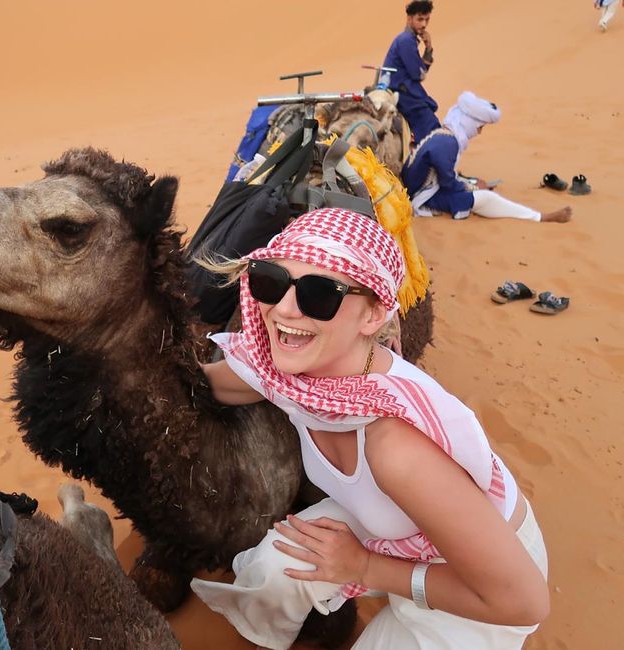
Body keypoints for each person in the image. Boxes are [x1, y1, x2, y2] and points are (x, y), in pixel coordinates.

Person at [189, 208, 550, 649]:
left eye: (319, 294)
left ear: (373, 315)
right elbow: (203, 387)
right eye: (272, 281)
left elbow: (524, 601)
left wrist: (362, 568)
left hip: (480, 585)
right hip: (391, 529)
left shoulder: (397, 446)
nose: (283, 309)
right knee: (272, 572)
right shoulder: (293, 372)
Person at [401, 91, 572, 223]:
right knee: (487, 198)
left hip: (425, 189)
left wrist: (471, 183)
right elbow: (448, 183)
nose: (479, 132)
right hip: (424, 198)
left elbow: (444, 175)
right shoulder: (448, 143)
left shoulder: (443, 135)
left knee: (476, 188)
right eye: (480, 126)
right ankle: (540, 217)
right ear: (469, 122)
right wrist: (473, 189)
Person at [383, 1, 440, 142]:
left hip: (407, 90)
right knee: (431, 127)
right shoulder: (406, 40)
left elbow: (420, 72)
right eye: (420, 19)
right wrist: (428, 51)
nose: (424, 25)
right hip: (402, 92)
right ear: (409, 19)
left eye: (427, 20)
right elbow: (418, 74)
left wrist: (428, 48)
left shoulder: (409, 40)